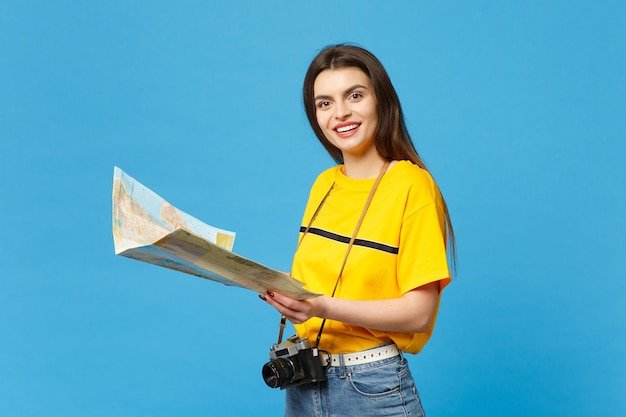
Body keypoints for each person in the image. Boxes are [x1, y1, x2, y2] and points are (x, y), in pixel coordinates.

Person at [259, 44, 456, 417]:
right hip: (304, 381)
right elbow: (320, 283)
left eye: (354, 95)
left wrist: (319, 307)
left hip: (370, 385)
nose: (341, 113)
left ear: (381, 100)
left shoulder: (412, 186)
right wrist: (266, 282)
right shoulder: (324, 185)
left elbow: (419, 314)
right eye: (325, 103)